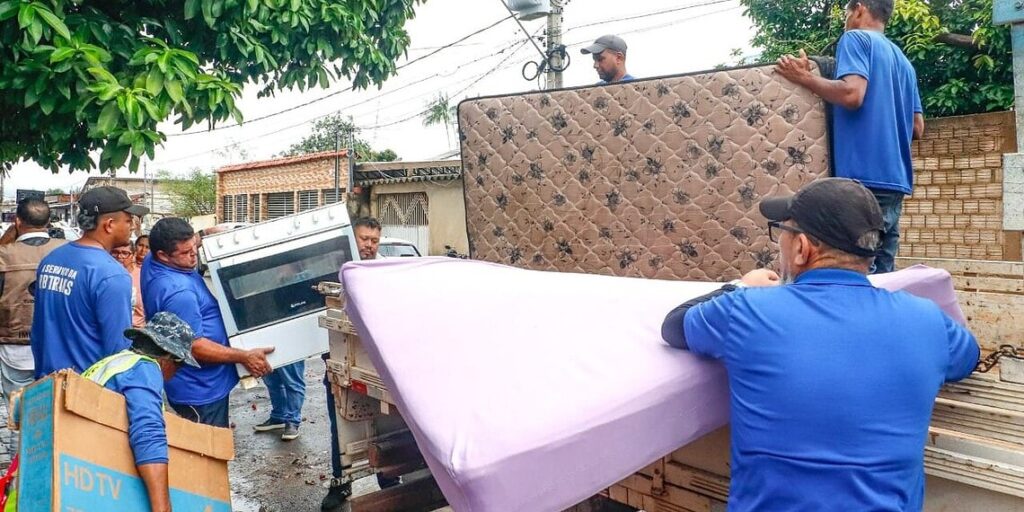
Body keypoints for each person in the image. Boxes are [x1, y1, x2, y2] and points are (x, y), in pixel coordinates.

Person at [660, 178, 979, 511]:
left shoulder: (746, 311)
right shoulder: (927, 320)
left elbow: (675, 325)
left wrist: (741, 286)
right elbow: (968, 357)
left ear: (801, 248)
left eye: (781, 231)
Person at [775, 0, 924, 274]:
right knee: (882, 276)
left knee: (852, 272)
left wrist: (804, 79)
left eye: (846, 11)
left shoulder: (855, 39)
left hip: (862, 181)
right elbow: (917, 127)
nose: (846, 19)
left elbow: (852, 94)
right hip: (896, 182)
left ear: (859, 9)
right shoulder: (904, 62)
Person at [141, 217, 273, 428]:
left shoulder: (152, 261)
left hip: (197, 384)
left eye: (194, 247)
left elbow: (188, 244)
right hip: (200, 390)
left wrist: (205, 234)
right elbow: (194, 346)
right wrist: (244, 356)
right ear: (163, 255)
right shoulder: (179, 292)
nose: (194, 255)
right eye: (185, 253)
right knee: (208, 454)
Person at [81, 312, 201, 512]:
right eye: (179, 368)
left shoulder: (116, 362)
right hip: (94, 472)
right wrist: (162, 506)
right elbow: (148, 434)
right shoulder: (144, 369)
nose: (173, 376)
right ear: (169, 358)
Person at [31, 186, 149, 377]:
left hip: (46, 382)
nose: (133, 226)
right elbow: (118, 351)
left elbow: (38, 330)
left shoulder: (51, 260)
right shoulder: (112, 275)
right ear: (109, 224)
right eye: (128, 220)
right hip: (85, 392)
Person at [322, 217, 386, 511]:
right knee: (342, 427)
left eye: (374, 240)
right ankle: (341, 482)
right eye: (364, 239)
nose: (369, 245)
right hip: (340, 362)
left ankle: (388, 478)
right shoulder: (336, 271)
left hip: (378, 365)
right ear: (352, 237)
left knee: (387, 424)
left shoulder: (384, 270)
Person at [0, 199, 66, 453]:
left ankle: (21, 478)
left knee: (19, 416)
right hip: (57, 346)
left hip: (14, 347)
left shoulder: (4, 255)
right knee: (55, 414)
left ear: (17, 222)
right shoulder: (66, 251)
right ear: (49, 223)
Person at [113, 242, 145, 328]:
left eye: (125, 253)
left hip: (135, 330)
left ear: (133, 255)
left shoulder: (143, 277)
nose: (119, 257)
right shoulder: (105, 275)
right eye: (115, 252)